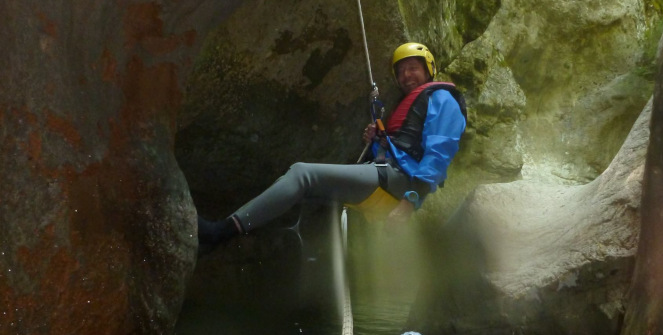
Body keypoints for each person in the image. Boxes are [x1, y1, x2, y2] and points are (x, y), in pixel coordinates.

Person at [198, 42, 467, 246]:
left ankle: (221, 232)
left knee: (303, 174)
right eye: (402, 71)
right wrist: (377, 143)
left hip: (402, 185)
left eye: (413, 69)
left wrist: (410, 202)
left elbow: (440, 152)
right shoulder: (414, 106)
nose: (407, 75)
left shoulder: (443, 98)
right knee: (305, 194)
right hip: (390, 177)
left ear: (429, 69)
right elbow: (405, 150)